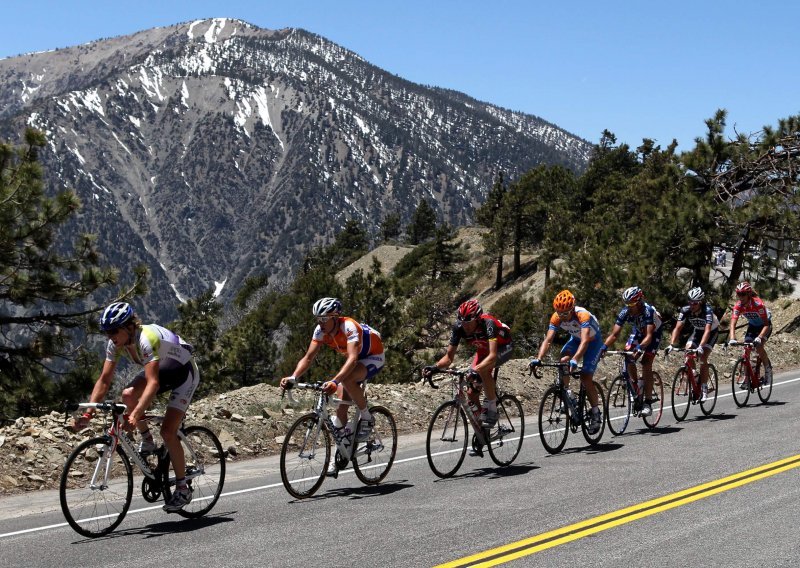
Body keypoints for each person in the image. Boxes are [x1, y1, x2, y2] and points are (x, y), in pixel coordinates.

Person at [71, 302, 200, 512]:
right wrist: (88, 412)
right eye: (106, 332)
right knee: (127, 395)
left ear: (129, 327)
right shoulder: (115, 344)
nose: (110, 336)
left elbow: (153, 383)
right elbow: (104, 380)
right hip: (162, 371)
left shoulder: (146, 339)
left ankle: (183, 488)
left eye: (113, 331)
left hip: (184, 374)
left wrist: (136, 413)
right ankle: (148, 441)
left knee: (168, 431)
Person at [279, 297, 385, 477]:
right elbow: (308, 358)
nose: (320, 323)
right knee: (341, 410)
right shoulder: (320, 331)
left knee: (348, 379)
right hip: (355, 360)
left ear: (335, 317)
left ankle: (367, 417)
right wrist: (294, 377)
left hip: (372, 357)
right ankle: (340, 456)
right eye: (318, 319)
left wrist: (334, 381)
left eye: (323, 319)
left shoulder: (349, 326)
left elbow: (352, 359)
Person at [422, 299, 513, 428]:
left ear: (477, 319)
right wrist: (435, 367)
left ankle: (492, 409)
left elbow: (492, 356)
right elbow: (449, 357)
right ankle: (483, 431)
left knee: (482, 370)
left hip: (503, 348)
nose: (465, 326)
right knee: (471, 393)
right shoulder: (459, 328)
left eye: (469, 323)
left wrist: (476, 370)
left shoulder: (488, 323)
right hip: (483, 351)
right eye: (463, 322)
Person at [529, 290, 604, 434]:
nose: (562, 317)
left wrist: (575, 359)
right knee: (563, 361)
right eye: (559, 313)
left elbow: (585, 340)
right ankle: (568, 395)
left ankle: (595, 413)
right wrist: (538, 359)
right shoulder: (556, 317)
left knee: (586, 377)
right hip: (576, 340)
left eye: (565, 313)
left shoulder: (583, 315)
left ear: (572, 308)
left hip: (592, 342)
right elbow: (548, 340)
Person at [602, 286, 664, 417]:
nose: (629, 307)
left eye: (632, 304)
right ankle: (637, 387)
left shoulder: (648, 311)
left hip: (652, 334)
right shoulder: (625, 312)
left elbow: (648, 336)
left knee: (646, 363)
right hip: (638, 332)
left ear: (640, 301)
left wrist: (641, 348)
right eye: (627, 304)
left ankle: (647, 402)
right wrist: (603, 347)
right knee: (628, 354)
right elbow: (614, 334)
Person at [665, 287, 720, 401]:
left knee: (703, 357)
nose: (691, 305)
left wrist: (701, 346)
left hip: (710, 333)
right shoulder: (685, 310)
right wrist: (672, 344)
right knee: (688, 352)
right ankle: (695, 375)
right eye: (690, 302)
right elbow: (677, 328)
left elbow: (708, 330)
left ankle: (704, 388)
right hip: (697, 331)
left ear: (700, 302)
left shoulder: (707, 311)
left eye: (694, 303)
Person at [727, 281, 773, 385]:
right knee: (746, 349)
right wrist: (732, 338)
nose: (740, 297)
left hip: (765, 326)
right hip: (752, 326)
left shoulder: (758, 304)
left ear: (748, 294)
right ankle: (747, 377)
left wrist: (760, 337)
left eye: (743, 294)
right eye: (738, 294)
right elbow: (733, 324)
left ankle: (768, 370)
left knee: (759, 347)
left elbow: (766, 324)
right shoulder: (738, 306)